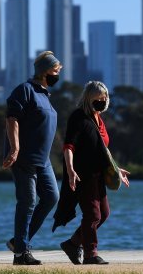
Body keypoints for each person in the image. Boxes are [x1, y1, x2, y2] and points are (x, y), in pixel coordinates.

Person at [53, 81, 130, 265]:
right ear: (88, 98)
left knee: (103, 214)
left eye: (104, 98)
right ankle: (90, 254)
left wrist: (115, 169)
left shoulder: (98, 119)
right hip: (83, 174)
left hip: (98, 174)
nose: (102, 101)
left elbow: (102, 149)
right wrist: (70, 170)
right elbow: (68, 146)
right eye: (98, 99)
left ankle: (72, 244)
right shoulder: (78, 117)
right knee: (92, 214)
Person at [2, 51, 62, 265]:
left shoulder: (45, 94)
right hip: (24, 157)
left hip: (43, 160)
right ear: (44, 71)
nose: (57, 75)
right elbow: (12, 119)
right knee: (27, 202)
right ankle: (21, 254)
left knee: (51, 197)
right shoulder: (25, 90)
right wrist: (15, 148)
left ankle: (18, 241)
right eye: (55, 71)